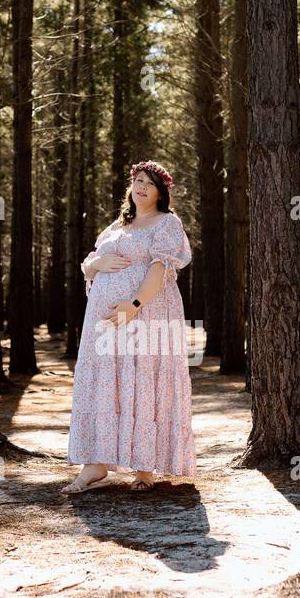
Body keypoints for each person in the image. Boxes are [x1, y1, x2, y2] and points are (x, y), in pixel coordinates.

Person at [62, 160, 198, 494]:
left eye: (149, 184)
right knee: (106, 382)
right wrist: (97, 263)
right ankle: (95, 464)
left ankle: (144, 467)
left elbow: (160, 270)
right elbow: (90, 262)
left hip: (146, 315)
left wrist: (134, 305)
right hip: (105, 323)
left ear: (160, 192)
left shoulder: (167, 223)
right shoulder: (119, 225)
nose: (141, 187)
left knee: (144, 380)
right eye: (137, 180)